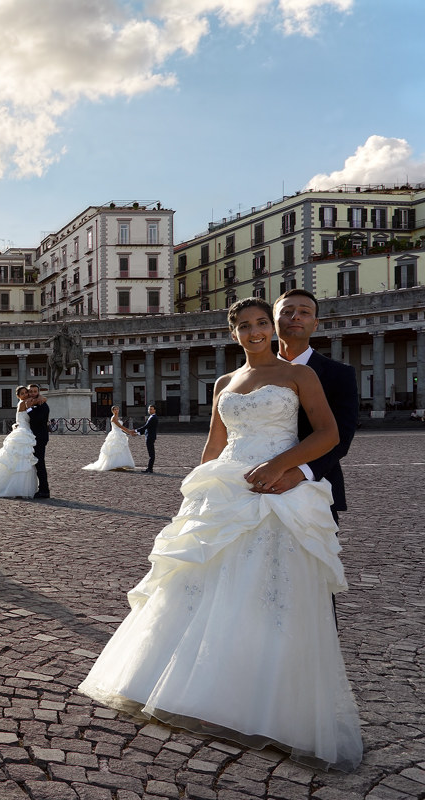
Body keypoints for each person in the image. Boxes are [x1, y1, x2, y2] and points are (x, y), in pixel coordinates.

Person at [78, 298, 362, 771]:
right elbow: (214, 444)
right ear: (233, 333)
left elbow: (331, 434)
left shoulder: (300, 376)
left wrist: (282, 466)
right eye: (244, 326)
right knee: (204, 587)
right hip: (227, 488)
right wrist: (198, 496)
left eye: (259, 325)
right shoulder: (223, 382)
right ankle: (200, 690)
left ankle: (267, 702)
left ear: (270, 329)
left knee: (272, 593)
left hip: (277, 487)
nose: (253, 333)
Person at [266, 289, 359, 521]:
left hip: (317, 484)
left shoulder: (340, 374)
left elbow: (341, 439)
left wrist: (300, 473)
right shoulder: (251, 374)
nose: (295, 316)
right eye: (287, 312)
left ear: (315, 324)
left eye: (304, 312)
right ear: (273, 322)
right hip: (258, 484)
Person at [83, 405, 137, 472]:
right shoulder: (113, 418)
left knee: (121, 448)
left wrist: (129, 432)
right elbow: (120, 426)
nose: (116, 410)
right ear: (112, 411)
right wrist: (129, 431)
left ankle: (121, 463)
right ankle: (113, 464)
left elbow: (121, 427)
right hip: (115, 434)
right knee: (114, 449)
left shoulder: (118, 417)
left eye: (117, 409)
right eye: (115, 409)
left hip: (119, 433)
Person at [25, 384, 50, 498]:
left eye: (34, 391)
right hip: (33, 437)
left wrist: (29, 408)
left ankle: (44, 490)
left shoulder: (42, 404)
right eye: (30, 391)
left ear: (38, 392)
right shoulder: (34, 403)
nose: (32, 393)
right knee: (36, 463)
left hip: (40, 437)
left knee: (40, 463)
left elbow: (37, 419)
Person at [134, 405, 159, 473]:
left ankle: (150, 469)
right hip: (149, 436)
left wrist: (136, 431)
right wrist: (138, 434)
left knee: (151, 454)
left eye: (151, 409)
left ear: (154, 410)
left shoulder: (153, 417)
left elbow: (146, 426)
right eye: (149, 409)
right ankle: (150, 468)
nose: (149, 410)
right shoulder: (151, 417)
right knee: (151, 453)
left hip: (150, 437)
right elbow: (147, 428)